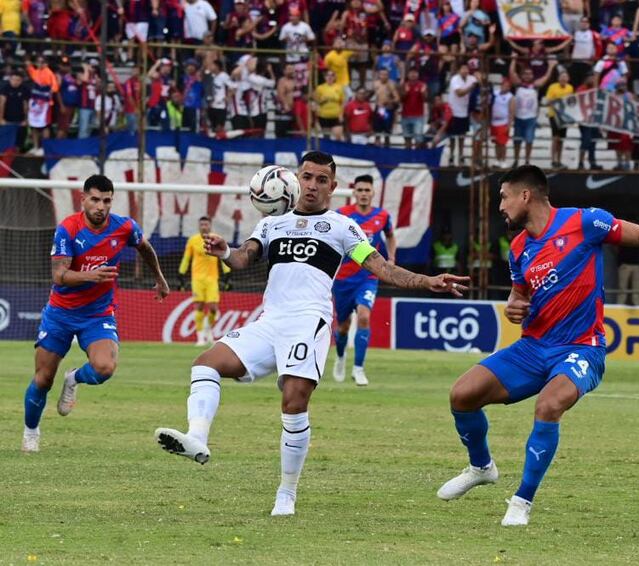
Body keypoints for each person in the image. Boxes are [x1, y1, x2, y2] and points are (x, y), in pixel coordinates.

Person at [154, 152, 469, 517]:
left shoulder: (343, 227)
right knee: (205, 364)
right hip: (270, 321)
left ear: (333, 187)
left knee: (293, 400)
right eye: (307, 177)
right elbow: (244, 258)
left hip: (309, 321)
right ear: (296, 179)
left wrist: (426, 280)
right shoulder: (273, 222)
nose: (313, 185)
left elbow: (379, 266)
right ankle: (197, 437)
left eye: (322, 180)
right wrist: (224, 250)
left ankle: (286, 494)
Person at [436, 165, 639, 526]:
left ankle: (522, 501)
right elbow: (519, 295)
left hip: (582, 347)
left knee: (549, 405)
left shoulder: (585, 222)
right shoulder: (518, 247)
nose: (500, 206)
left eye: (503, 197)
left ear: (525, 195)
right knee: (461, 395)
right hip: (533, 347)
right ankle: (481, 467)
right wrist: (513, 306)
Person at [22, 175, 169, 453]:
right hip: (61, 313)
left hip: (98, 314)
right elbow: (59, 275)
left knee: (105, 368)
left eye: (106, 200)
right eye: (95, 199)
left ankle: (74, 378)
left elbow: (145, 248)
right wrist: (92, 275)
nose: (101, 206)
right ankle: (31, 432)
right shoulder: (68, 229)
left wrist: (160, 278)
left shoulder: (124, 227)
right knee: (42, 379)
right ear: (83, 199)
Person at [331, 175, 396, 386]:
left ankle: (358, 369)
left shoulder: (382, 216)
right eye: (360, 190)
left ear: (373, 193)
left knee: (364, 316)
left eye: (367, 190)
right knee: (343, 327)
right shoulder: (342, 215)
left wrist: (391, 258)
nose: (364, 194)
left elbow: (390, 236)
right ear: (354, 193)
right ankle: (341, 357)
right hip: (343, 279)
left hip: (368, 276)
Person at [179, 216, 231, 346]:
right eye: (201, 224)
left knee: (213, 308)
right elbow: (186, 259)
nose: (204, 227)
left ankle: (208, 329)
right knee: (199, 306)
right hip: (197, 279)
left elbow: (223, 256)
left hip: (212, 279)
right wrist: (181, 275)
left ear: (210, 225)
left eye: (206, 224)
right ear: (199, 226)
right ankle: (200, 338)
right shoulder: (193, 240)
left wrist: (227, 274)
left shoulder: (216, 239)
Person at [543, 71, 573, 170]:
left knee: (561, 139)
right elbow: (548, 100)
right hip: (554, 115)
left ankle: (559, 160)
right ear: (558, 78)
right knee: (555, 138)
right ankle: (553, 160)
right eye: (562, 77)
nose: (563, 79)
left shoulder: (570, 88)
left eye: (565, 77)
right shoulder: (552, 87)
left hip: (564, 118)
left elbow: (571, 102)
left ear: (568, 79)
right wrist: (559, 103)